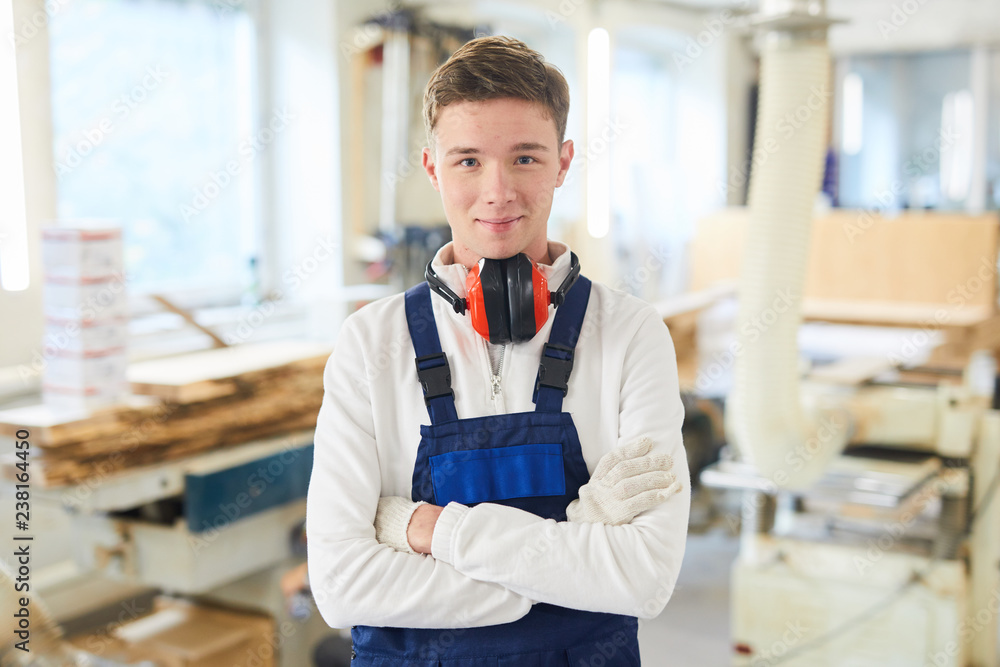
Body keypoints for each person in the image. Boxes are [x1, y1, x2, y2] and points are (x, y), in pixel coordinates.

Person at [306, 35, 690, 666]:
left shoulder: (630, 334)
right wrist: (568, 554)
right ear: (432, 168)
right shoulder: (371, 342)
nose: (498, 191)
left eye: (525, 158)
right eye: (467, 161)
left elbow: (644, 577)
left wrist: (428, 529)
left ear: (563, 163)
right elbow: (343, 585)